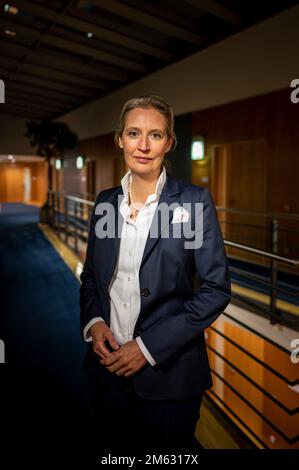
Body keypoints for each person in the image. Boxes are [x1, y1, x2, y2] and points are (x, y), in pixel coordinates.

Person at [80, 95, 231, 456]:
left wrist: (146, 349)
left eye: (155, 135)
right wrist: (95, 321)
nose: (144, 145)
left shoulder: (193, 203)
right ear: (120, 139)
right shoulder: (105, 203)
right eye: (134, 133)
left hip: (170, 379)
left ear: (169, 142)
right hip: (106, 371)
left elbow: (215, 289)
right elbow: (90, 278)